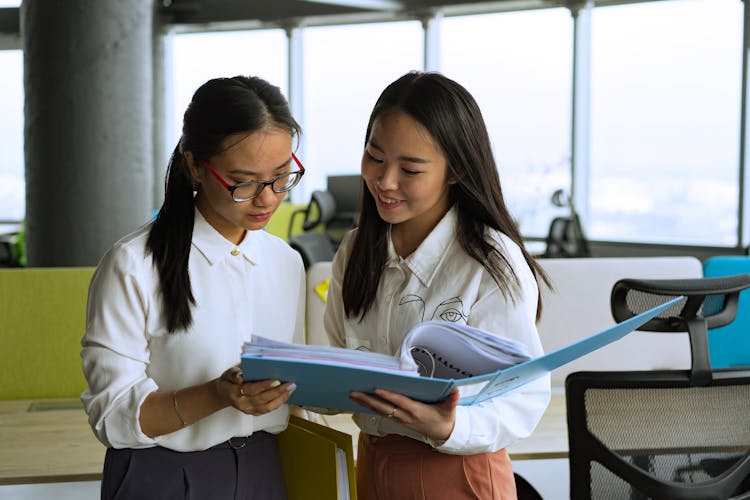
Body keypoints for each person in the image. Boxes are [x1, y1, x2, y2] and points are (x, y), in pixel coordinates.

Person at [323, 71, 552, 499]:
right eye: (374, 157)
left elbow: (524, 396)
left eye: (410, 168)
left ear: (456, 171)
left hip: (456, 468)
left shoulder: (489, 259)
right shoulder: (356, 249)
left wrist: (450, 425)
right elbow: (341, 359)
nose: (385, 181)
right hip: (373, 459)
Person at [80, 75, 306, 500]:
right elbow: (111, 416)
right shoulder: (133, 265)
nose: (268, 199)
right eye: (244, 182)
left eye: (281, 176)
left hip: (264, 470)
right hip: (162, 475)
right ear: (195, 164)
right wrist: (219, 395)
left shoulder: (286, 262)